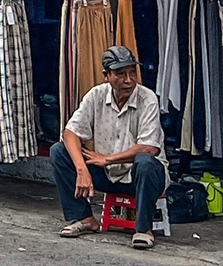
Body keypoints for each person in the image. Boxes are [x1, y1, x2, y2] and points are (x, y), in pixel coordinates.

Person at [53, 45, 167, 250]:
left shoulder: (147, 98)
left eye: (132, 72)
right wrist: (81, 170)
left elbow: (149, 148)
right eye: (121, 74)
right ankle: (85, 218)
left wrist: (107, 159)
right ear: (106, 75)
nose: (128, 80)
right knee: (59, 152)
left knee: (145, 161)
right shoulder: (96, 95)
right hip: (108, 175)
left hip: (141, 177)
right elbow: (70, 133)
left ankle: (143, 229)